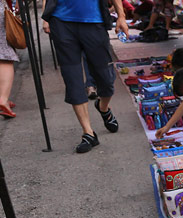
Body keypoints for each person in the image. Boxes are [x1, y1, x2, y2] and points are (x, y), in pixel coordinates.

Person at [42, 0, 129, 153]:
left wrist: (121, 16)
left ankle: (103, 108)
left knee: (106, 78)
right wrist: (45, 18)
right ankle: (88, 133)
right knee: (72, 79)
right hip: (61, 23)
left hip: (94, 22)